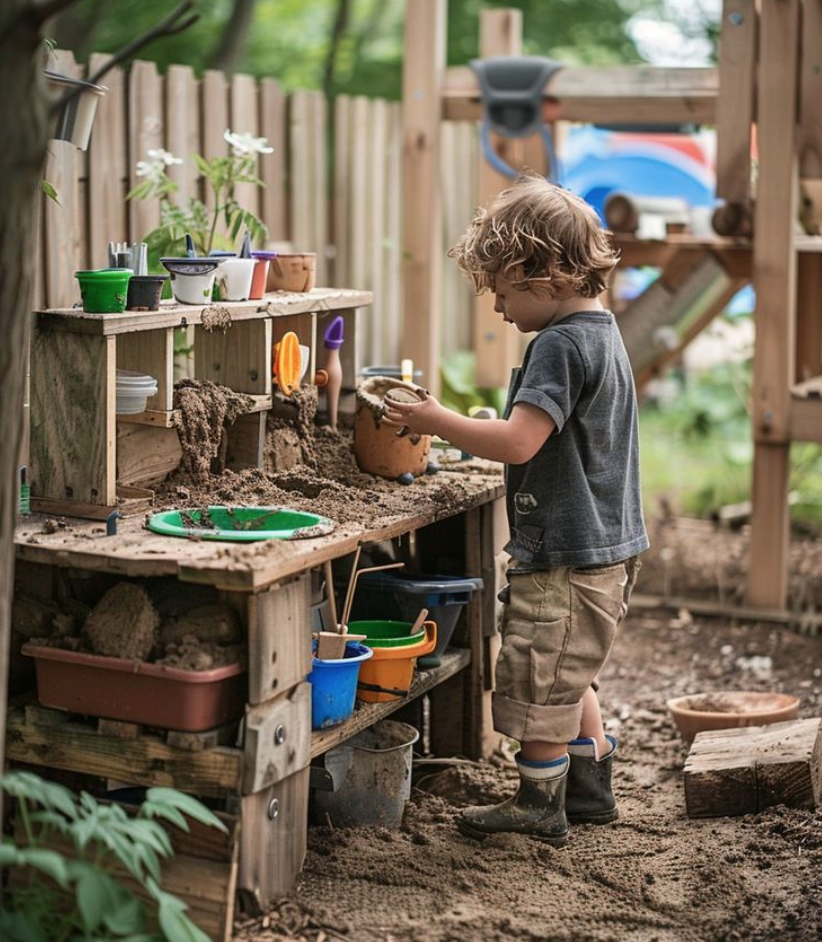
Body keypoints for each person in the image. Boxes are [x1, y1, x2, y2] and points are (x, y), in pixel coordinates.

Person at [382, 174, 649, 845]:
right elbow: (552, 433)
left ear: (548, 273)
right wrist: (483, 423)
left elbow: (522, 439)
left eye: (502, 288)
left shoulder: (558, 345)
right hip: (605, 548)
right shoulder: (601, 333)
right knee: (569, 673)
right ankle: (589, 788)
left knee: (535, 681)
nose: (496, 304)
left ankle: (539, 804)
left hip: (564, 555)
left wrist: (437, 420)